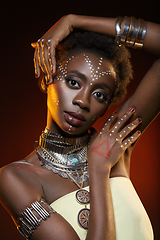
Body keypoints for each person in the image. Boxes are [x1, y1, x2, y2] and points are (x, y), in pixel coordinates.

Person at [0, 14, 159, 240]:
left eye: (99, 94)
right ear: (48, 78)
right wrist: (99, 169)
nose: (83, 102)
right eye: (73, 82)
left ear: (106, 106)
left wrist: (74, 21)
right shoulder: (16, 178)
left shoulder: (115, 140)